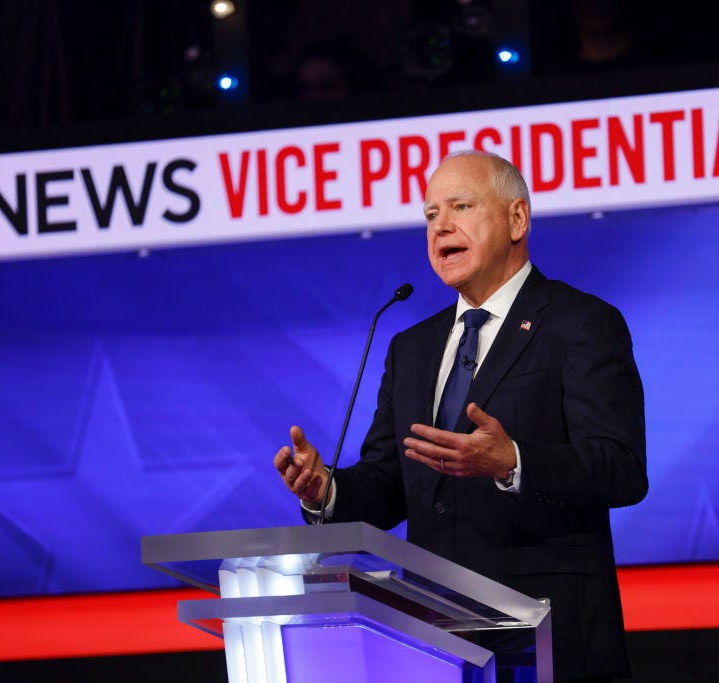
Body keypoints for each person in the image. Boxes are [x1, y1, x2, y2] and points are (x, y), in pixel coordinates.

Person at [274, 150, 647, 682]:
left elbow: (620, 468)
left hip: (551, 642)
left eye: (461, 206)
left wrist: (511, 461)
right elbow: (389, 482)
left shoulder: (581, 324)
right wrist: (325, 491)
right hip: (436, 640)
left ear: (517, 219)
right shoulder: (412, 347)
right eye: (429, 215)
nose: (440, 226)